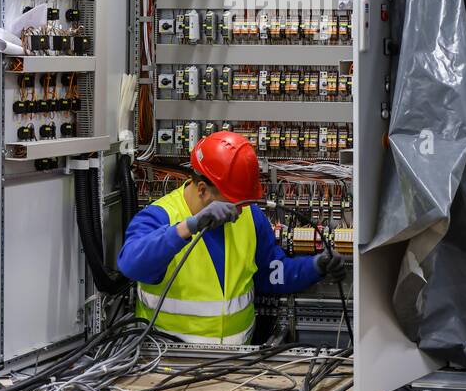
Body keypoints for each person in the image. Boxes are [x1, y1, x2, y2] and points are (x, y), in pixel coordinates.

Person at [117, 130, 344, 344]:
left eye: (244, 202)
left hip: (235, 361)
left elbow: (272, 274)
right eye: (233, 202)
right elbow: (132, 265)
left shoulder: (250, 217)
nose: (239, 211)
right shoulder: (160, 216)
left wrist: (315, 266)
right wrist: (188, 227)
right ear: (203, 190)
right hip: (167, 360)